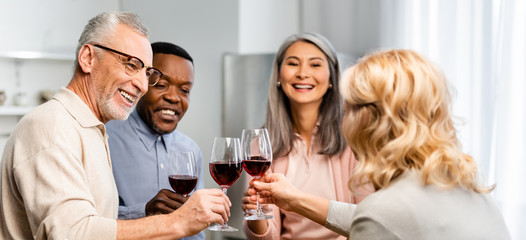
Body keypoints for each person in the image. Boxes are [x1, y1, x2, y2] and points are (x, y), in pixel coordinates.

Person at [0, 11, 231, 239]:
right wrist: (177, 222)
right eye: (131, 65)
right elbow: (73, 233)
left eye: (147, 72)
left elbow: (98, 225)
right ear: (88, 58)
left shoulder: (92, 129)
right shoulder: (49, 126)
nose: (142, 84)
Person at [247, 49, 511, 239]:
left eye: (347, 109)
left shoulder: (383, 212)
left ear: (372, 120)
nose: (342, 119)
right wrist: (294, 200)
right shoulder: (467, 186)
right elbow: (378, 218)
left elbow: (378, 218)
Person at [241, 32, 370, 240]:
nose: (303, 73)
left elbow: (368, 221)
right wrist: (255, 214)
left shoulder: (356, 136)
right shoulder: (261, 147)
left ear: (331, 78)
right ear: (278, 77)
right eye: (293, 63)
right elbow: (267, 236)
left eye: (315, 65)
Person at [106, 41, 205, 240]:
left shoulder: (191, 150)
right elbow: (87, 223)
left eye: (184, 90)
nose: (174, 98)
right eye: (161, 85)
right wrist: (143, 211)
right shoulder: (105, 140)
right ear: (141, 84)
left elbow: (196, 229)